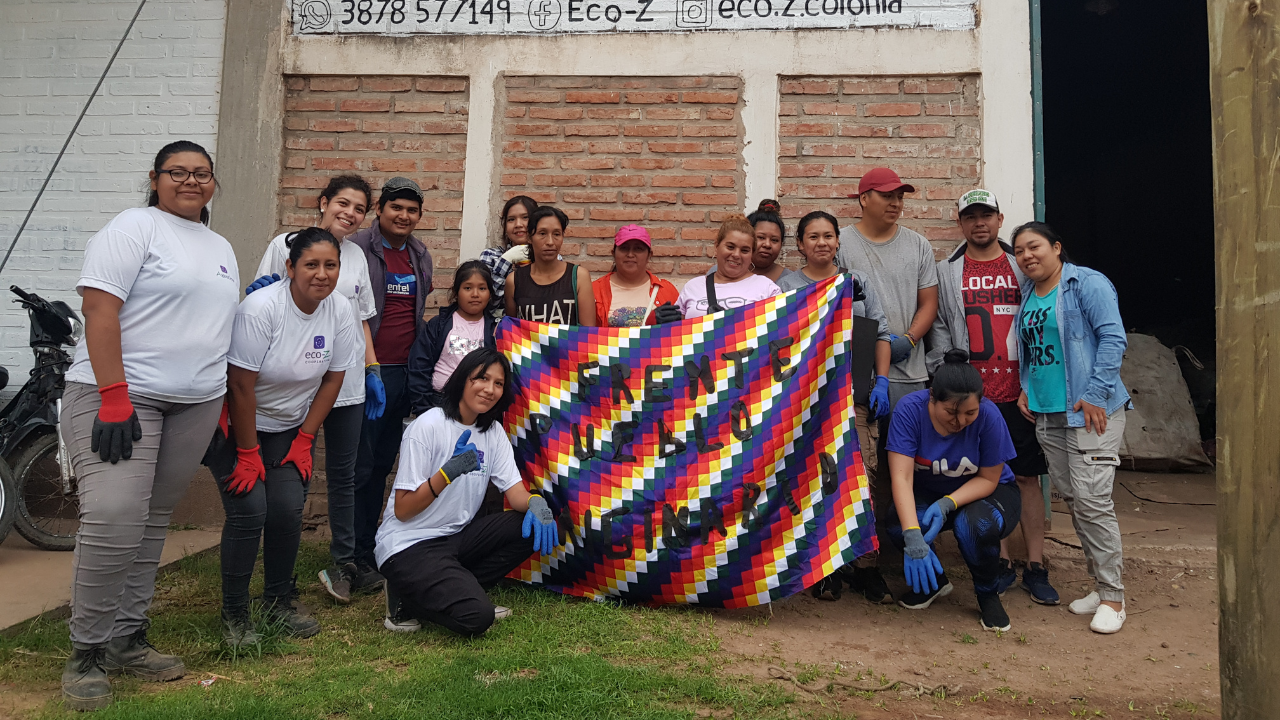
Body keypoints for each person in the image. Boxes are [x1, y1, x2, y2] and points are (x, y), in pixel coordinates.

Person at [60, 140, 239, 711]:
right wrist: (114, 396)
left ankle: (126, 637)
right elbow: (98, 308)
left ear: (213, 183)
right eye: (177, 172)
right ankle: (85, 651)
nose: (190, 181)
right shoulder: (132, 227)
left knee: (152, 520)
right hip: (119, 397)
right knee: (114, 516)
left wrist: (221, 402)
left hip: (196, 403)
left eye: (201, 173)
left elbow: (214, 327)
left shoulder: (220, 246)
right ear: (156, 178)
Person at [212, 228, 362, 646]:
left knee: (286, 509)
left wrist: (305, 438)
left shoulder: (339, 311)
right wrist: (246, 452)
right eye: (311, 264)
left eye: (330, 265)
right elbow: (240, 385)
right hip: (235, 424)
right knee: (250, 510)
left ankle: (278, 601)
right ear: (290, 268)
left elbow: (334, 378)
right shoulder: (262, 309)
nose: (321, 274)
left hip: (286, 428)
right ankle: (235, 616)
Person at [244, 175, 386, 605]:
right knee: (294, 472)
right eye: (343, 203)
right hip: (297, 382)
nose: (350, 213)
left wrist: (372, 366)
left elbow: (361, 318)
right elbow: (265, 298)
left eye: (359, 208)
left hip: (345, 382)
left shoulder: (357, 256)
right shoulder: (285, 244)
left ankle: (344, 564)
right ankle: (279, 574)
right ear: (323, 202)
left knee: (345, 474)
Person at [927, 189, 1058, 606]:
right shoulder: (947, 271)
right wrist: (950, 376)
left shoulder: (1020, 266)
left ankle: (1035, 564)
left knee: (1026, 477)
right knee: (983, 478)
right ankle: (999, 563)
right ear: (960, 222)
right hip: (976, 398)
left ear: (1000, 219)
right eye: (971, 216)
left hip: (1020, 395)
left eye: (986, 215)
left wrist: (1033, 384)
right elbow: (944, 325)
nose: (979, 223)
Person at [376, 348, 559, 637]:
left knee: (528, 526)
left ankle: (465, 587)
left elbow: (516, 495)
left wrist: (538, 504)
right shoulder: (428, 426)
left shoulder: (493, 433)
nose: (490, 389)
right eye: (482, 378)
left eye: (498, 383)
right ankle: (404, 594)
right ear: (463, 379)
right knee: (477, 617)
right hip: (410, 544)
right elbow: (403, 509)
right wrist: (447, 473)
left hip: (458, 537)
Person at [1012, 222, 1131, 634]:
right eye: (1020, 251)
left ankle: (1114, 599)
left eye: (1035, 246)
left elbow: (1113, 339)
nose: (1027, 256)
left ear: (1057, 247)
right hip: (1049, 414)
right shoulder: (1029, 292)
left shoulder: (1088, 284)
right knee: (1076, 502)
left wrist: (1097, 393)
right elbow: (1030, 348)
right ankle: (1100, 586)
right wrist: (1026, 388)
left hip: (1091, 412)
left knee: (1093, 500)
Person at [777, 211, 895, 604]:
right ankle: (821, 568)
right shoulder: (787, 287)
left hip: (855, 396)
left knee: (862, 474)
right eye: (813, 237)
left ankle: (866, 566)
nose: (822, 243)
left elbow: (878, 330)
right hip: (807, 402)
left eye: (829, 236)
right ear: (800, 244)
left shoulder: (856, 282)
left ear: (838, 242)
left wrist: (882, 380)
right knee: (812, 480)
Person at [884, 351, 1023, 632]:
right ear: (932, 397)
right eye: (951, 412)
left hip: (988, 493)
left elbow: (988, 479)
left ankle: (988, 594)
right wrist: (913, 537)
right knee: (901, 523)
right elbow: (902, 478)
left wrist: (949, 503)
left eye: (969, 413)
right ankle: (934, 583)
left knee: (973, 524)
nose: (960, 421)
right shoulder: (909, 411)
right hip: (930, 492)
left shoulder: (990, 417)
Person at [348, 177, 435, 594]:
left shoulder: (419, 253)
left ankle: (372, 546)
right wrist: (369, 366)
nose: (403, 216)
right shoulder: (358, 248)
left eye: (412, 210)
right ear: (379, 209)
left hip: (404, 372)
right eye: (396, 207)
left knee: (384, 464)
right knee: (360, 466)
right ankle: (352, 554)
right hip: (365, 369)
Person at [837, 168, 939, 412]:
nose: (896, 203)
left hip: (908, 372)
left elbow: (929, 303)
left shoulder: (918, 245)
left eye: (900, 197)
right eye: (887, 196)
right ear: (864, 198)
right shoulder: (838, 242)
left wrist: (909, 340)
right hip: (854, 373)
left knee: (905, 448)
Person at [408, 261, 499, 415]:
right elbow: (419, 366)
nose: (475, 294)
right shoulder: (439, 325)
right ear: (456, 292)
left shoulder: (495, 330)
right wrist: (424, 409)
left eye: (482, 288)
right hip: (439, 403)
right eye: (468, 288)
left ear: (490, 293)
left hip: (479, 409)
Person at [505, 206, 596, 326]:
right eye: (542, 233)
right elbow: (512, 329)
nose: (550, 242)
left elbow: (588, 333)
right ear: (529, 237)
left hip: (568, 345)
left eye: (557, 234)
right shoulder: (514, 281)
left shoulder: (579, 276)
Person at [677, 215, 781, 319]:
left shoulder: (767, 289)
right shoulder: (692, 287)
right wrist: (665, 322)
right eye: (730, 247)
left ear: (751, 254)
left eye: (744, 250)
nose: (736, 255)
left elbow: (780, 330)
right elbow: (677, 331)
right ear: (717, 245)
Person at [592, 225, 682, 327]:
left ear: (649, 255)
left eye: (638, 249)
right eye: (624, 248)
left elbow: (679, 334)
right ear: (613, 253)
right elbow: (586, 336)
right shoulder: (594, 290)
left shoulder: (666, 290)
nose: (630, 254)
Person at [478, 195, 539, 316]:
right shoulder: (490, 257)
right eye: (511, 219)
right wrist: (506, 261)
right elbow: (485, 305)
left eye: (525, 218)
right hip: (499, 330)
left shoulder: (551, 259)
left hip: (536, 330)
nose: (518, 224)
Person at [747, 199, 794, 284]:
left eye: (774, 240)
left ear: (781, 244)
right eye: (761, 237)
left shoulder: (791, 283)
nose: (767, 245)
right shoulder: (721, 274)